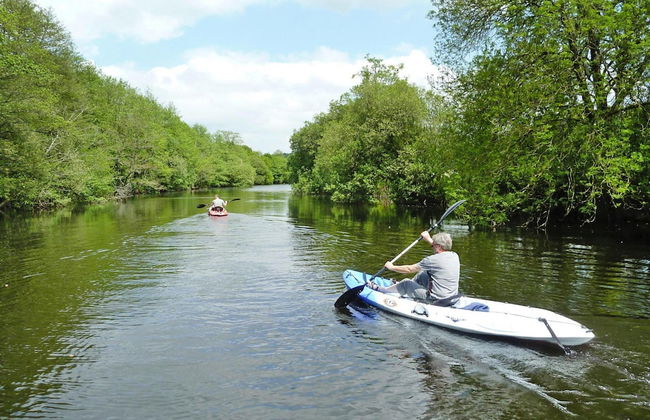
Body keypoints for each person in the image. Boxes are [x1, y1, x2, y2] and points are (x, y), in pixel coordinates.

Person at [368, 231, 460, 302]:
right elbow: (439, 247)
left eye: (434, 245)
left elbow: (409, 269)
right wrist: (428, 238)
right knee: (424, 274)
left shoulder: (432, 260)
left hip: (435, 300)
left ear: (438, 246)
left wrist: (391, 267)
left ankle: (382, 290)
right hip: (451, 298)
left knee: (406, 283)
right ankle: (399, 286)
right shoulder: (454, 255)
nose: (432, 246)